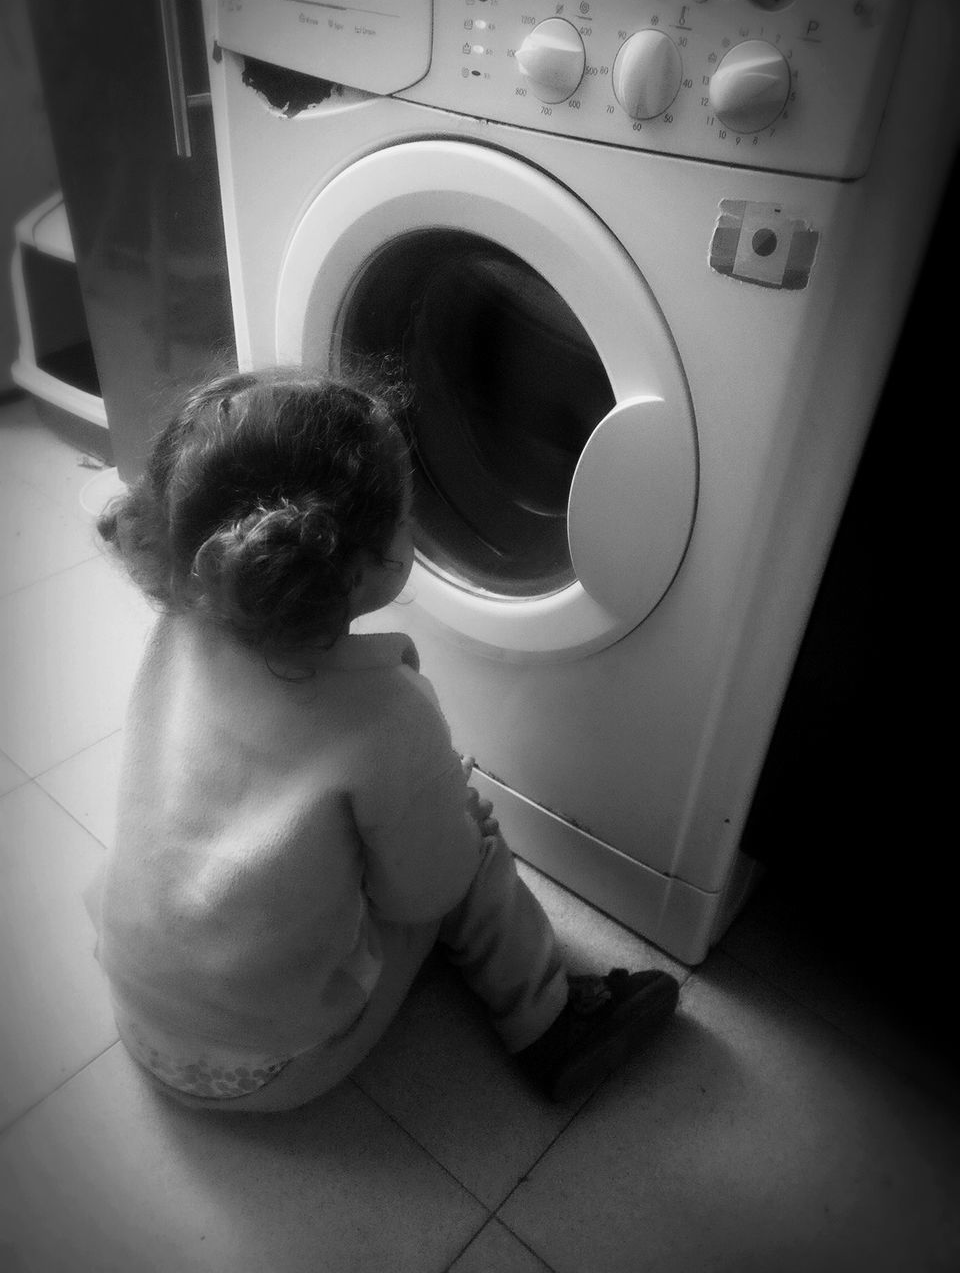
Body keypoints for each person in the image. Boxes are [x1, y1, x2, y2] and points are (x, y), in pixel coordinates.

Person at [90, 365, 679, 1112]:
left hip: (143, 1016)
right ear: (367, 564)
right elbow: (425, 892)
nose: (414, 526)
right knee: (470, 832)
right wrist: (445, 828)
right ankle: (552, 1022)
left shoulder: (181, 623)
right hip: (270, 1067)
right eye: (406, 518)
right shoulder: (387, 713)